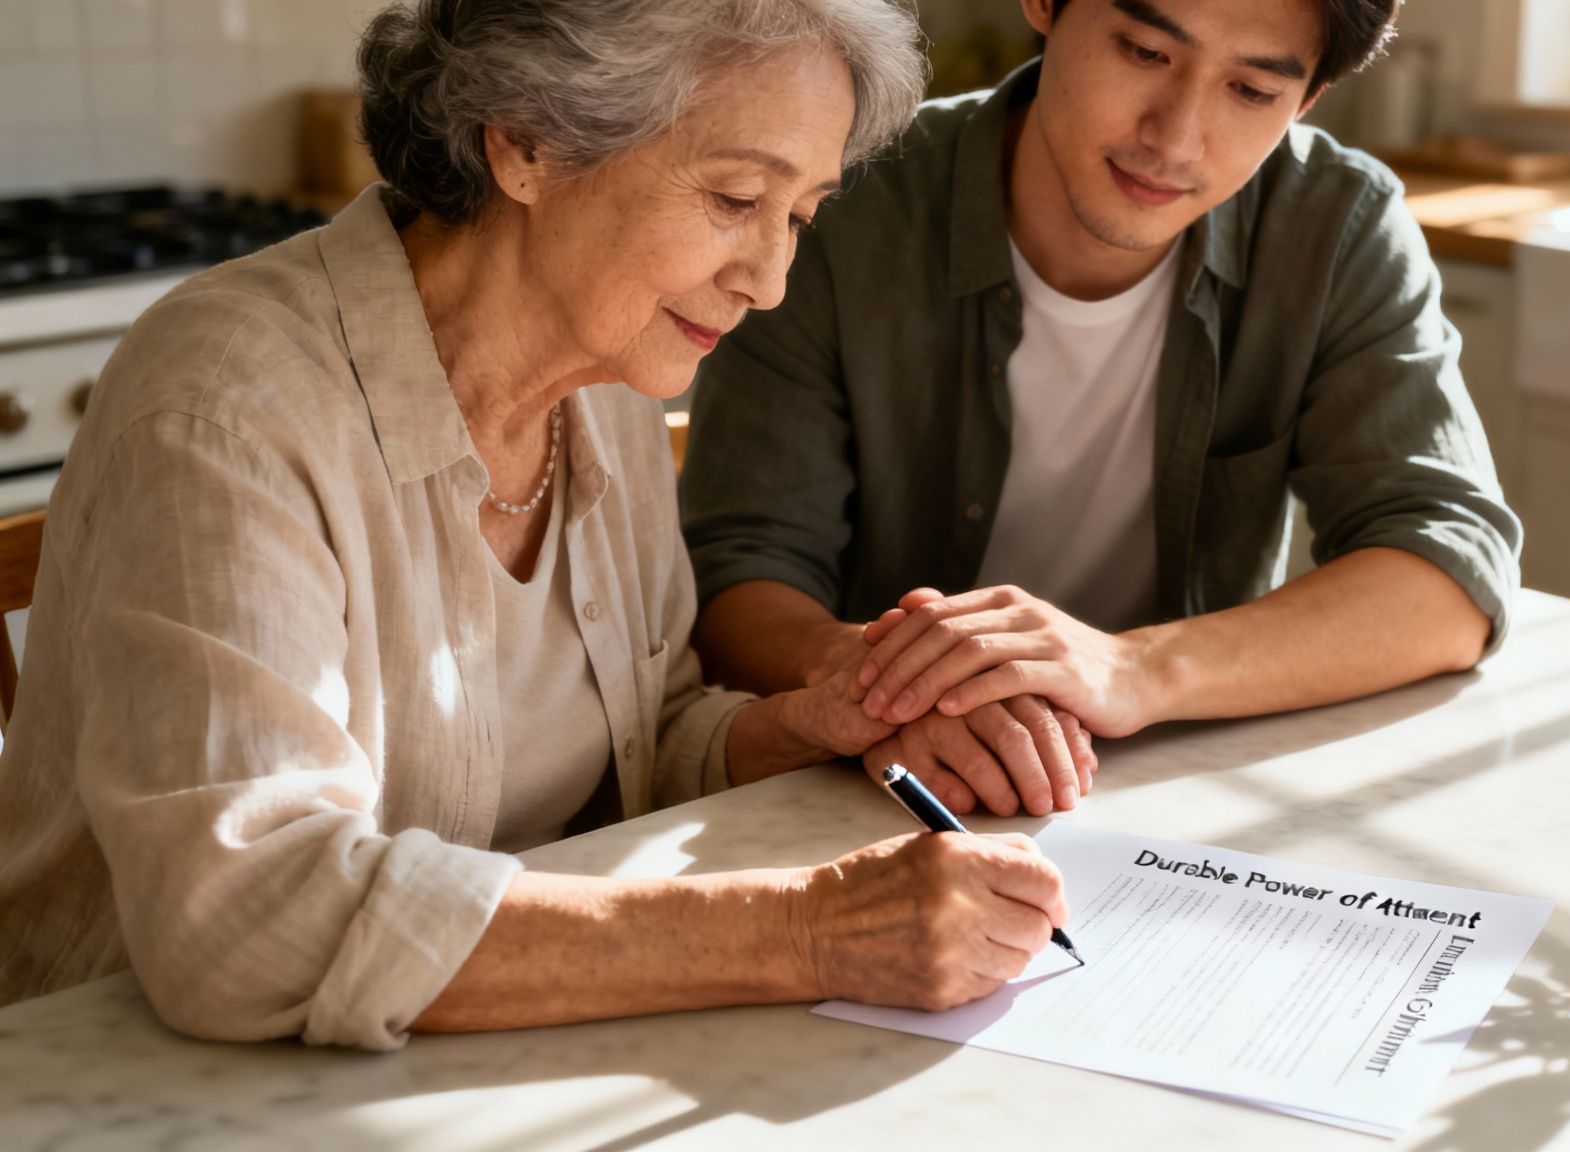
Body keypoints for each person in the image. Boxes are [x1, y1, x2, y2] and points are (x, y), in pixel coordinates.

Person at [0, 0, 1070, 1050]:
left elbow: (642, 743)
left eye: (798, 217)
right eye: (735, 197)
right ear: (526, 144)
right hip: (131, 1084)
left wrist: (819, 722)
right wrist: (806, 928)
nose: (770, 280)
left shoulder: (606, 381)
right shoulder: (231, 400)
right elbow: (243, 916)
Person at [684, 0, 1522, 820]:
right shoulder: (843, 199)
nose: (1173, 137)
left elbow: (1448, 573)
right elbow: (739, 570)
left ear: (1306, 100)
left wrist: (1130, 671)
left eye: (1252, 92)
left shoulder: (1337, 223)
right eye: (1144, 52)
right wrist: (891, 685)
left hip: (1180, 796)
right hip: (878, 790)